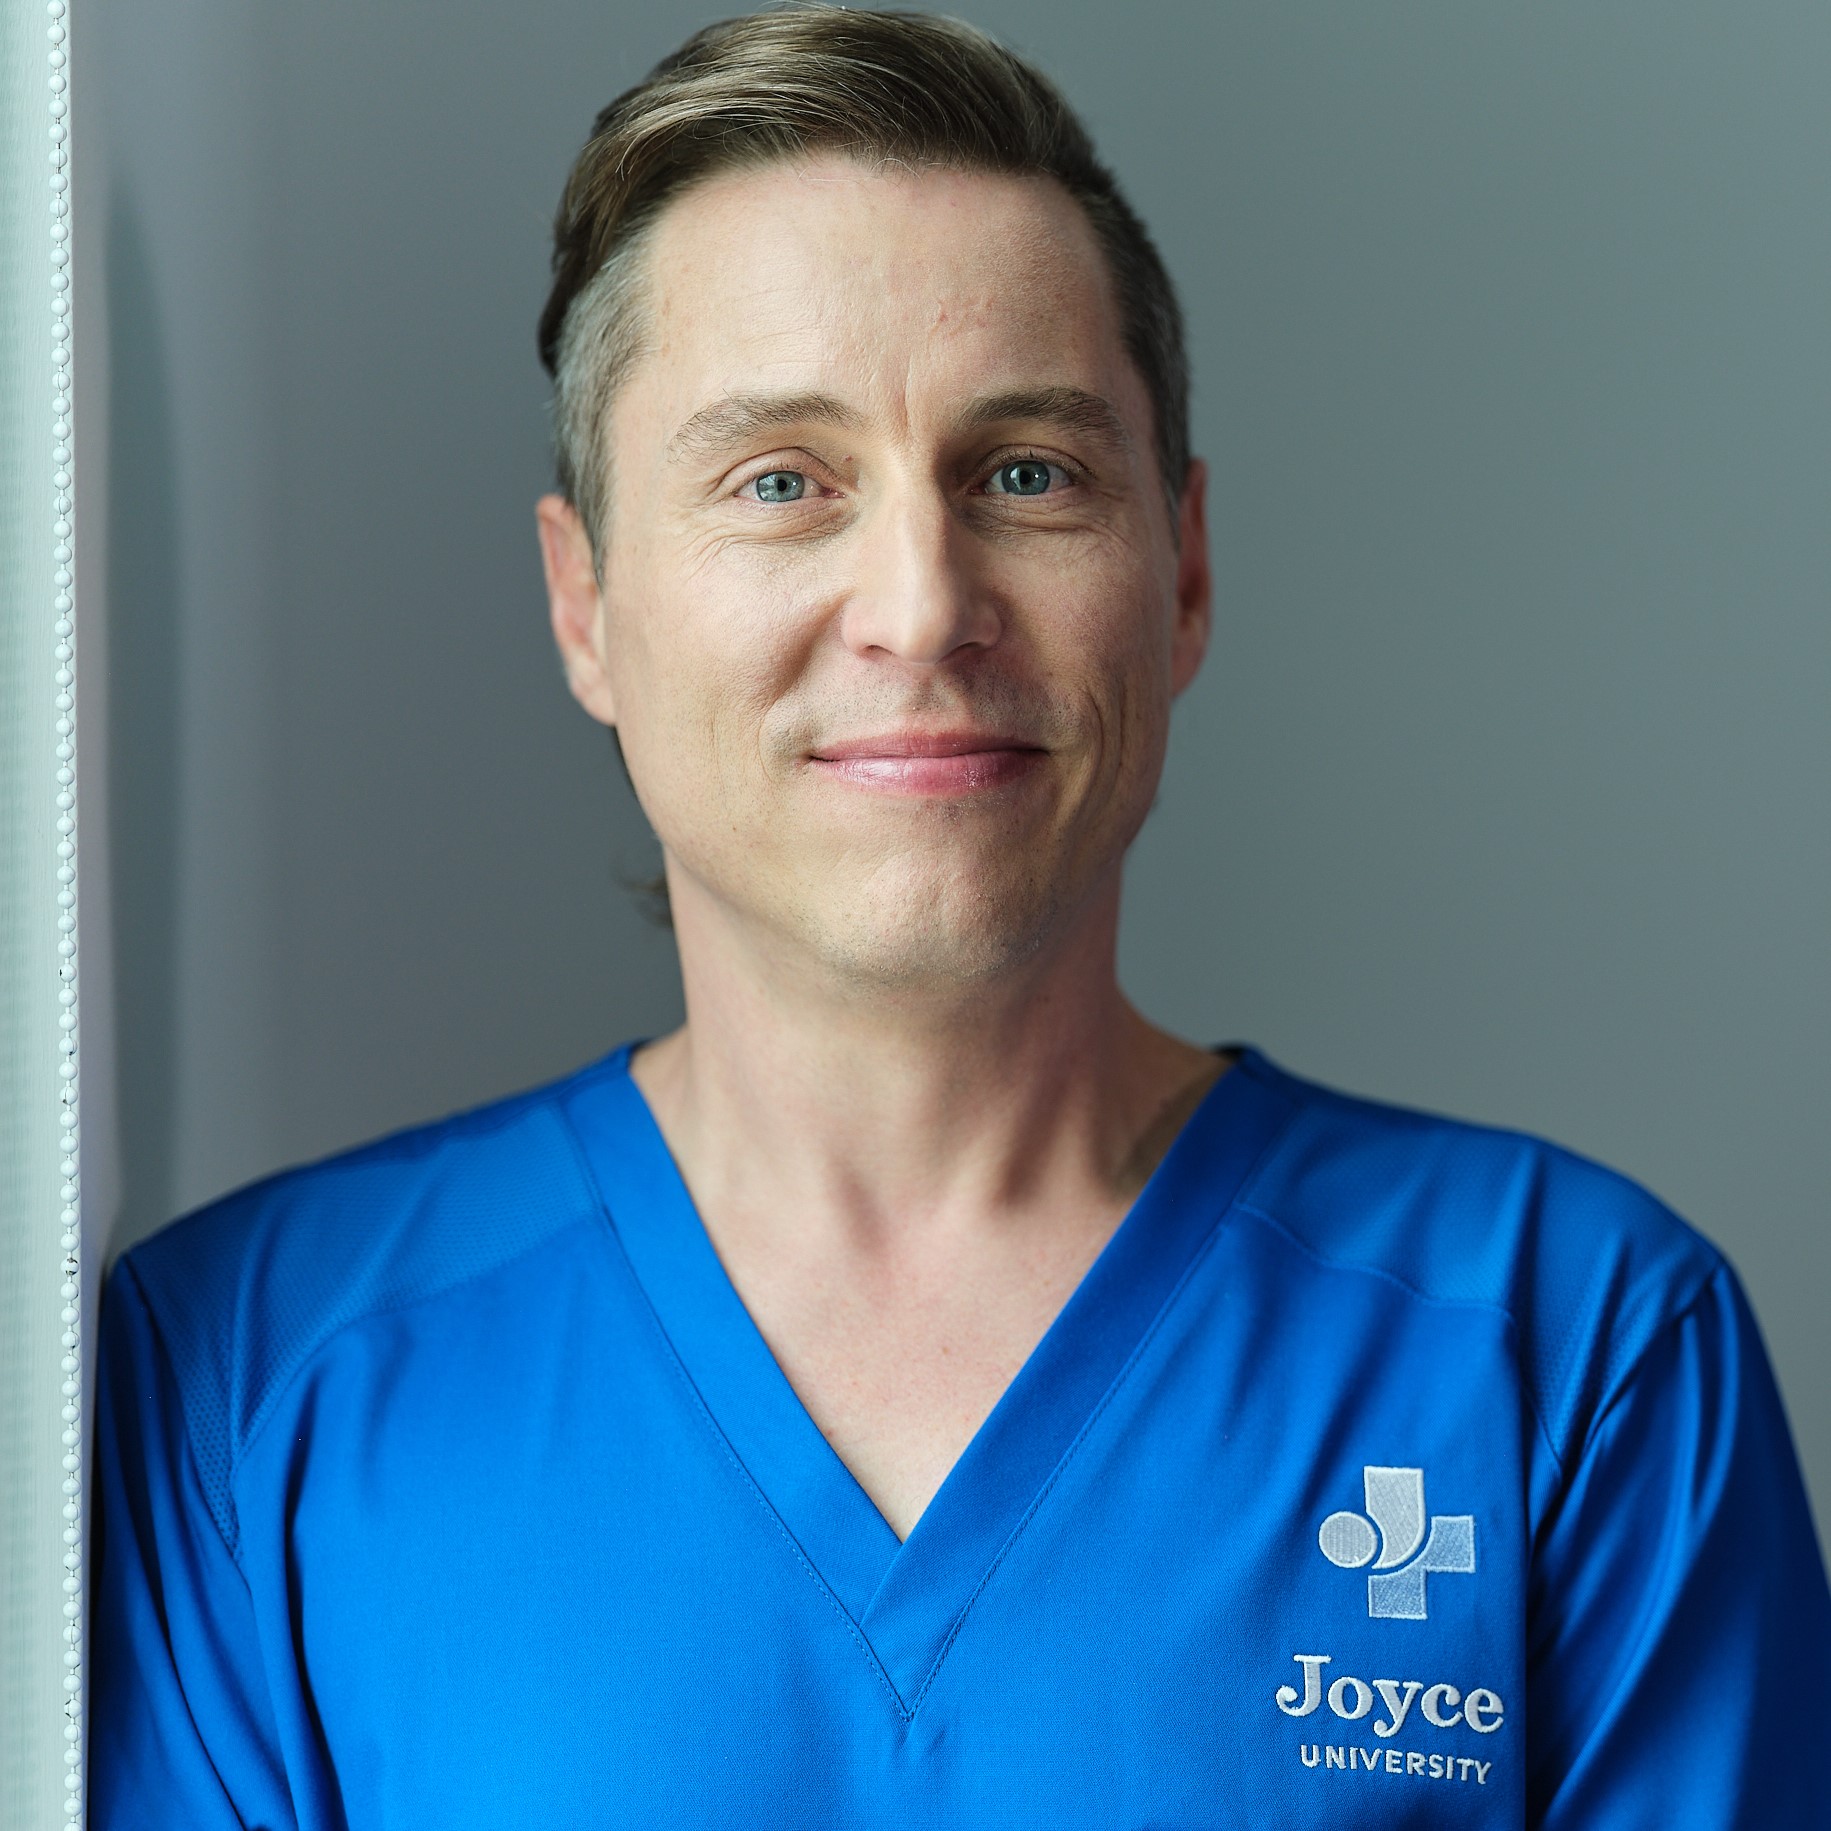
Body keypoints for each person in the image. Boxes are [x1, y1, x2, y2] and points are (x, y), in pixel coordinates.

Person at [91, 10, 1829, 1827]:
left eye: (1028, 475)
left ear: (1188, 574)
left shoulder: (1573, 1352)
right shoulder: (243, 1392)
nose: (921, 608)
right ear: (587, 604)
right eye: (781, 482)